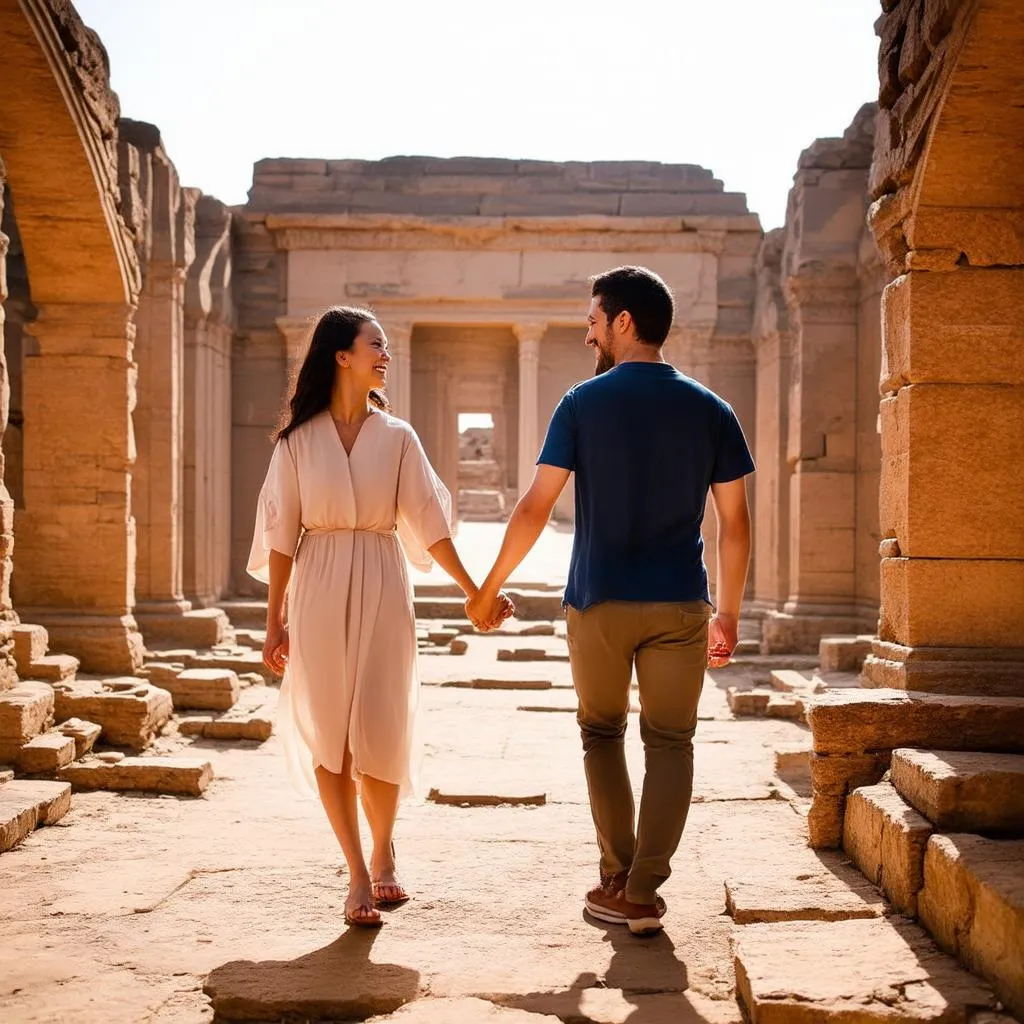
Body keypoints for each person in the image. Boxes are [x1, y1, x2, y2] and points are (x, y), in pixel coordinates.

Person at [467, 266, 754, 936]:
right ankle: (645, 891)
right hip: (682, 602)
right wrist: (731, 612)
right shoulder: (713, 410)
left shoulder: (581, 403)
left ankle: (617, 876)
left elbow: (536, 506)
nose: (587, 331)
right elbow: (735, 523)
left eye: (594, 319)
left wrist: (486, 588)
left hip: (598, 601)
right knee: (672, 741)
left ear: (624, 321)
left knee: (602, 733)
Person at [249, 306, 510, 928]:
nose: (385, 353)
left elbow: (429, 523)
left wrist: (475, 591)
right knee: (329, 729)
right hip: (317, 582)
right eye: (376, 344)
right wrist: (274, 622)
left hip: (384, 577)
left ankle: (385, 842)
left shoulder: (398, 437)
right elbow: (282, 535)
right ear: (342, 354)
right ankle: (358, 871)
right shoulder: (296, 443)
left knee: (381, 721)